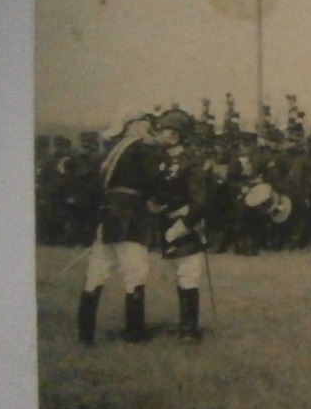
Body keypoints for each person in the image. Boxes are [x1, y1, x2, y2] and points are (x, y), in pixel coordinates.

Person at [76, 112, 162, 345]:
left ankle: (85, 336)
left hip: (107, 217)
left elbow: (92, 185)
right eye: (146, 123)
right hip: (132, 217)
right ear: (134, 126)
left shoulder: (109, 152)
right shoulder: (142, 149)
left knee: (97, 273)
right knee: (135, 273)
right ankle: (134, 334)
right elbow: (154, 181)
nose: (150, 127)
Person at [152, 109, 210, 342]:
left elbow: (200, 201)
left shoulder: (190, 162)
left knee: (188, 274)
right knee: (177, 274)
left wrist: (183, 224)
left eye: (169, 131)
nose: (166, 134)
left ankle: (190, 330)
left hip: (185, 225)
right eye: (165, 130)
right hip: (164, 223)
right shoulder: (159, 160)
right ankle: (183, 322)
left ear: (178, 135)